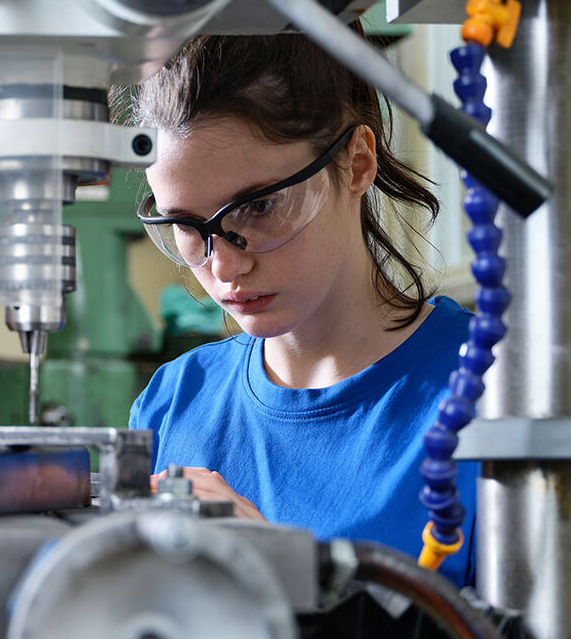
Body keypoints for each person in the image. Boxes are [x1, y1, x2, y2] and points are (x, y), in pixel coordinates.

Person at [124, 31, 478, 587]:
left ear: (358, 163)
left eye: (260, 206)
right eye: (187, 227)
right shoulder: (173, 403)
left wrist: (284, 573)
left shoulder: (491, 391)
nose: (222, 268)